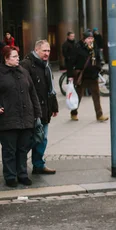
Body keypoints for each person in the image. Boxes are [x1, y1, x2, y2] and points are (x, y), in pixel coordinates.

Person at [0, 46, 42, 187]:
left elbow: (33, 94)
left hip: (26, 118)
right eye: (14, 56)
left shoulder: (23, 72)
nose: (17, 58)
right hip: (8, 118)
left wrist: (37, 114)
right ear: (6, 58)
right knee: (9, 150)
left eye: (18, 56)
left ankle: (22, 174)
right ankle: (10, 176)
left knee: (23, 149)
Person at [20, 40, 59, 175]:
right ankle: (19, 166)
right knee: (30, 140)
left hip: (44, 109)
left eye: (48, 50)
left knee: (42, 138)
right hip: (32, 110)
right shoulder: (26, 64)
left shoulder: (46, 65)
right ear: (36, 50)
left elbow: (50, 88)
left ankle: (38, 165)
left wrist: (54, 106)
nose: (47, 53)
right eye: (44, 51)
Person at [68, 29, 108, 122]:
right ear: (84, 39)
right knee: (78, 95)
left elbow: (98, 58)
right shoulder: (78, 47)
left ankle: (99, 115)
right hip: (82, 76)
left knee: (96, 95)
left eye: (91, 38)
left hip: (93, 75)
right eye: (88, 38)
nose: (90, 40)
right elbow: (71, 62)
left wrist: (98, 68)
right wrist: (70, 75)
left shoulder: (94, 47)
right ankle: (74, 113)